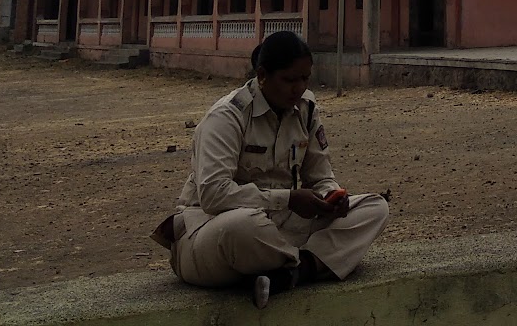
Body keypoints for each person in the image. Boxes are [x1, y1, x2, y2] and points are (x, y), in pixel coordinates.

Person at [152, 30, 389, 308]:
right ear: (262, 76)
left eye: (304, 78)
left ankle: (292, 273)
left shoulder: (306, 110)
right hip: (212, 235)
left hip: (277, 229)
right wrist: (288, 199)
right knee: (243, 227)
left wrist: (331, 197)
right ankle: (312, 263)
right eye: (289, 80)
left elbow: (321, 175)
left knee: (374, 208)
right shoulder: (227, 116)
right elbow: (214, 195)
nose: (298, 88)